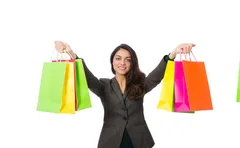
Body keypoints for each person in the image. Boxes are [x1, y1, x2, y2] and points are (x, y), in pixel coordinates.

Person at [53, 41, 196, 148]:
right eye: (118, 58)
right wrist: (71, 53)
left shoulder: (140, 84)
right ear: (112, 61)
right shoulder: (104, 86)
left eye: (128, 59)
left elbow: (156, 76)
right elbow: (86, 77)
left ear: (132, 63)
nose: (123, 63)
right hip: (111, 141)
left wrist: (173, 54)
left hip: (138, 140)